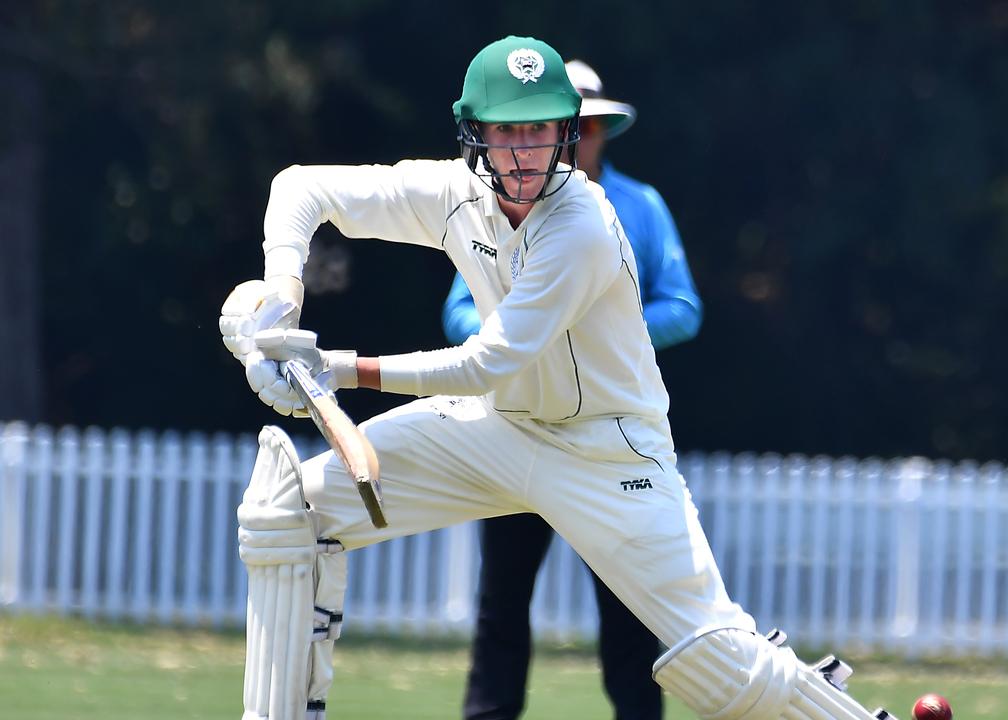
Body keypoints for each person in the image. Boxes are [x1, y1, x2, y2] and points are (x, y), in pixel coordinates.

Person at [218, 35, 880, 720]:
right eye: (507, 130)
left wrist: (335, 369)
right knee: (288, 516)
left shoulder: (584, 221)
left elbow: (487, 362)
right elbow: (301, 187)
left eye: (539, 129)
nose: (526, 151)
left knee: (718, 659)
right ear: (475, 134)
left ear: (565, 131)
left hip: (608, 449)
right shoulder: (453, 193)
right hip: (499, 430)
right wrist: (284, 296)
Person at [444, 58, 701, 720]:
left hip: (604, 436)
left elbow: (684, 307)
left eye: (587, 128)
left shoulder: (640, 206)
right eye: (565, 127)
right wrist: (521, 332)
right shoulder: (497, 206)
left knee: (629, 598)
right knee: (502, 596)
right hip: (517, 427)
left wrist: (594, 324)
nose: (575, 140)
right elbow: (457, 312)